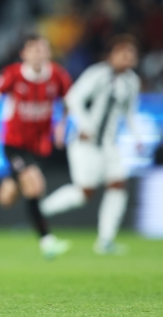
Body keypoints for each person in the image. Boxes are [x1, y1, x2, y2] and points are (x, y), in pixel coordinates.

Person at [0, 35, 72, 258]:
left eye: (42, 50)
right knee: (35, 185)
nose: (38, 54)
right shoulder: (13, 74)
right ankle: (47, 241)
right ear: (24, 54)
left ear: (48, 53)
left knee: (7, 198)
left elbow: (69, 102)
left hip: (40, 146)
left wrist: (61, 127)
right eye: (34, 50)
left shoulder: (58, 76)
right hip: (14, 144)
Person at [40, 34, 141, 255]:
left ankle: (105, 240)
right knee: (84, 193)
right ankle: (40, 211)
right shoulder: (98, 73)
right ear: (112, 54)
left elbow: (130, 112)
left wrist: (137, 137)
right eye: (123, 52)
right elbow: (73, 98)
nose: (128, 57)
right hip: (85, 143)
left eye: (131, 53)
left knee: (118, 185)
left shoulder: (131, 81)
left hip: (109, 144)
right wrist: (85, 126)